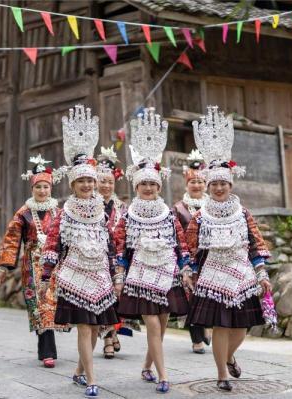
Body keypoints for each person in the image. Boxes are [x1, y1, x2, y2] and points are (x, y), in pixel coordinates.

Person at [185, 106, 273, 392]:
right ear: (208, 187)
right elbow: (191, 248)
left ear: (230, 184)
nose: (219, 188)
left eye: (223, 183)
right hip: (213, 275)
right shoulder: (200, 217)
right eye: (215, 184)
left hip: (242, 273)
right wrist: (191, 271)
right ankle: (221, 373)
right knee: (221, 327)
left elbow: (256, 244)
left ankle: (230, 356)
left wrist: (261, 272)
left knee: (241, 327)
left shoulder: (243, 213)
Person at [113, 108, 193, 394]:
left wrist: (186, 269)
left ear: (159, 186)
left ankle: (147, 367)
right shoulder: (128, 214)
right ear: (136, 186)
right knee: (153, 327)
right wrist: (119, 277)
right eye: (143, 183)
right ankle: (163, 376)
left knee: (161, 324)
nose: (148, 187)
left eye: (152, 184)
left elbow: (181, 244)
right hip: (141, 276)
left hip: (167, 274)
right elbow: (120, 249)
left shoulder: (169, 214)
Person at [42, 105, 118, 398]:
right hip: (74, 274)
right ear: (73, 183)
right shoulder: (64, 212)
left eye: (91, 180)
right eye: (82, 181)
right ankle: (93, 379)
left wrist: (116, 274)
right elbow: (53, 243)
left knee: (97, 327)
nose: (87, 185)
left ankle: (79, 371)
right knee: (85, 328)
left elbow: (110, 244)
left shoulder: (102, 211)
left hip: (99, 274)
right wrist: (48, 273)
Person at [0, 154, 64, 369]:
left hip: (56, 266)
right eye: (38, 187)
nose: (42, 191)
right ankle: (47, 352)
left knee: (53, 306)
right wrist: (4, 266)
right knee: (39, 306)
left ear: (50, 188)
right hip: (33, 265)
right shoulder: (23, 213)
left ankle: (47, 348)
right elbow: (12, 239)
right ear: (32, 189)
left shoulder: (59, 212)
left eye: (46, 187)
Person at [95, 146, 134, 359]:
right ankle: (108, 339)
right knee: (103, 299)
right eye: (102, 181)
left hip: (117, 258)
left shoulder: (122, 207)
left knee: (116, 299)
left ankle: (113, 332)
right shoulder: (89, 206)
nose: (107, 185)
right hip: (97, 258)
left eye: (110, 182)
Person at [172, 149, 211, 354]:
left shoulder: (213, 206)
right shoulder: (178, 208)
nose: (196, 185)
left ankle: (207, 327)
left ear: (205, 184)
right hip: (188, 256)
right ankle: (196, 338)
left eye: (200, 182)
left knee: (208, 296)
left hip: (210, 257)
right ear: (186, 184)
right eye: (192, 182)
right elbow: (176, 235)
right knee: (192, 297)